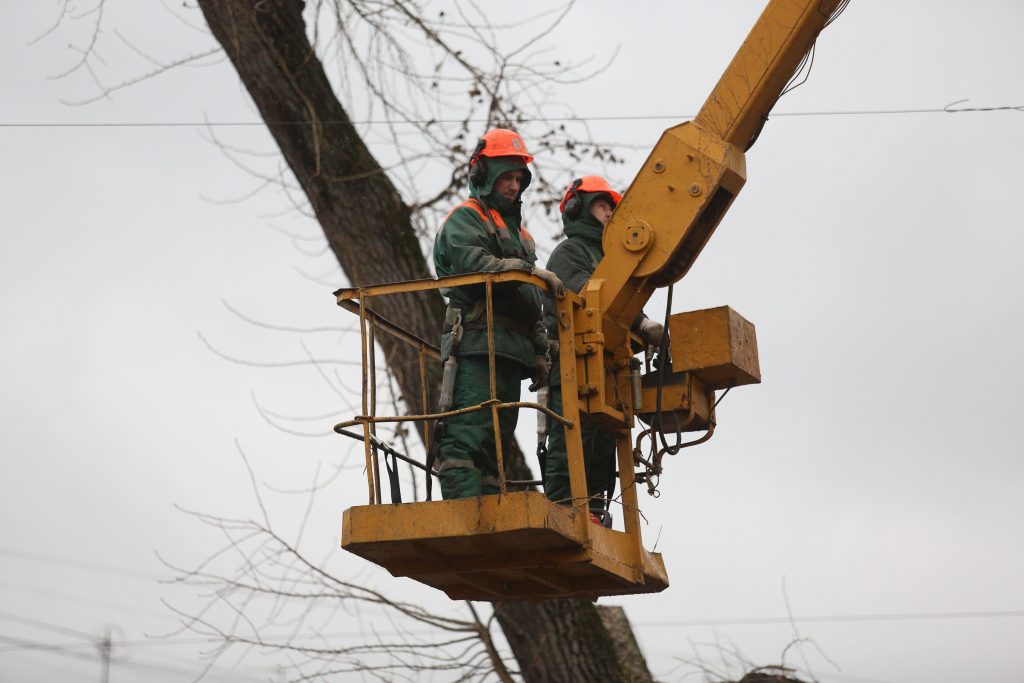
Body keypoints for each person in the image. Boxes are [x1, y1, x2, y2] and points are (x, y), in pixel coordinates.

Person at [430, 128, 564, 500]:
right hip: (474, 343)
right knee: (465, 438)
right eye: (507, 175)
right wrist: (524, 270)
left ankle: (486, 517)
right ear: (483, 174)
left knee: (495, 449)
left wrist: (539, 351)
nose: (513, 185)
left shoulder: (521, 236)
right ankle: (463, 521)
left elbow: (529, 302)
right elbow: (472, 262)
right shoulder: (466, 218)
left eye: (519, 178)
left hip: (509, 353)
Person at [541, 176, 664, 525]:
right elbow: (586, 292)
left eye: (612, 207)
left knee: (601, 441)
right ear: (579, 208)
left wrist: (641, 324)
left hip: (604, 362)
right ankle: (565, 505)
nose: (610, 213)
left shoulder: (612, 257)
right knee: (572, 433)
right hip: (571, 359)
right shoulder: (570, 252)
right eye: (601, 205)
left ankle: (594, 508)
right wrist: (637, 321)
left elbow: (619, 301)